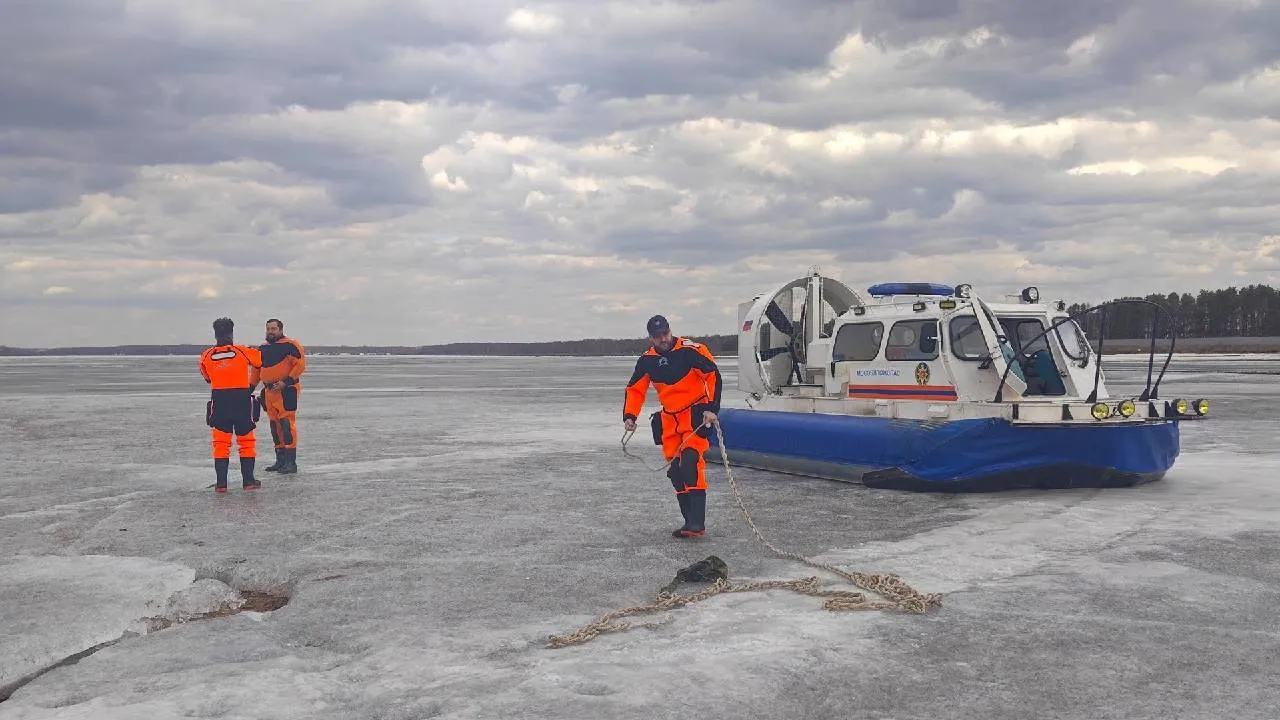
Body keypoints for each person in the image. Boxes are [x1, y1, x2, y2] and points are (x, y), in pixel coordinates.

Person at [623, 314, 722, 538]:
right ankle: (689, 523)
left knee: (690, 463)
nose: (663, 339)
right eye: (658, 337)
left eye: (665, 334)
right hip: (669, 421)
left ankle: (698, 524)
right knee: (676, 472)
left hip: (694, 417)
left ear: (670, 331)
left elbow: (713, 376)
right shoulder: (646, 360)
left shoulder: (691, 350)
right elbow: (635, 389)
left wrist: (711, 408)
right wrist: (630, 415)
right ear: (651, 339)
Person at [199, 318, 263, 493]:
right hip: (241, 400)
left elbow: (206, 378)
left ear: (215, 334)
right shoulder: (243, 351)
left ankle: (221, 484)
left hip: (220, 401)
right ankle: (248, 481)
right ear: (231, 333)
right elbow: (260, 361)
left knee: (220, 442)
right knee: (246, 441)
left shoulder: (206, 355)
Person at [258, 318, 306, 474]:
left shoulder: (290, 345)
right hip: (269, 392)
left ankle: (291, 463)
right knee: (275, 426)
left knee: (286, 424)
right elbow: (256, 371)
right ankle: (280, 461)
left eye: (273, 329)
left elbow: (300, 365)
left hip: (286, 390)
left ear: (280, 329)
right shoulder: (263, 348)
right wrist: (248, 388)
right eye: (268, 329)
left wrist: (287, 381)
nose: (270, 332)